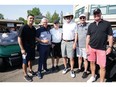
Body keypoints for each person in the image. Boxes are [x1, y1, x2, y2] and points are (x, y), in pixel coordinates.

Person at [86, 8, 113, 82]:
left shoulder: (107, 24)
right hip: (91, 48)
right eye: (95, 14)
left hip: (101, 49)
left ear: (101, 14)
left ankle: (101, 82)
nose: (96, 15)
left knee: (102, 66)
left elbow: (110, 36)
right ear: (93, 15)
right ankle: (93, 76)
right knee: (91, 62)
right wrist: (87, 47)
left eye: (98, 13)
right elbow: (88, 37)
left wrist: (110, 47)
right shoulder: (91, 25)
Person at [18, 14, 36, 82]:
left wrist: (42, 41)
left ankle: (30, 70)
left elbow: (34, 37)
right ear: (27, 19)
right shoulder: (23, 27)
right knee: (25, 62)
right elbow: (19, 39)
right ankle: (25, 74)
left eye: (33, 18)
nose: (31, 19)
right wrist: (22, 49)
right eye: (30, 18)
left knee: (31, 60)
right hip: (25, 49)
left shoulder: (33, 28)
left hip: (32, 48)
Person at [61, 12, 78, 78]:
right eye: (66, 17)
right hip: (63, 42)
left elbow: (76, 34)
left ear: (71, 17)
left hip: (71, 42)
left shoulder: (74, 24)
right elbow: (62, 33)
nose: (67, 18)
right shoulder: (64, 24)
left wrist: (75, 43)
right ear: (65, 18)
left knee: (71, 58)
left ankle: (72, 70)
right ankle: (65, 67)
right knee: (64, 56)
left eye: (69, 16)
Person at [76, 14, 89, 78]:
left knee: (85, 59)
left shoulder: (88, 25)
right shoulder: (77, 26)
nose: (82, 19)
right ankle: (79, 68)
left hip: (85, 46)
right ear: (79, 19)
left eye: (83, 18)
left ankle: (85, 71)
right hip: (79, 45)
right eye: (81, 18)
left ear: (85, 18)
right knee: (79, 58)